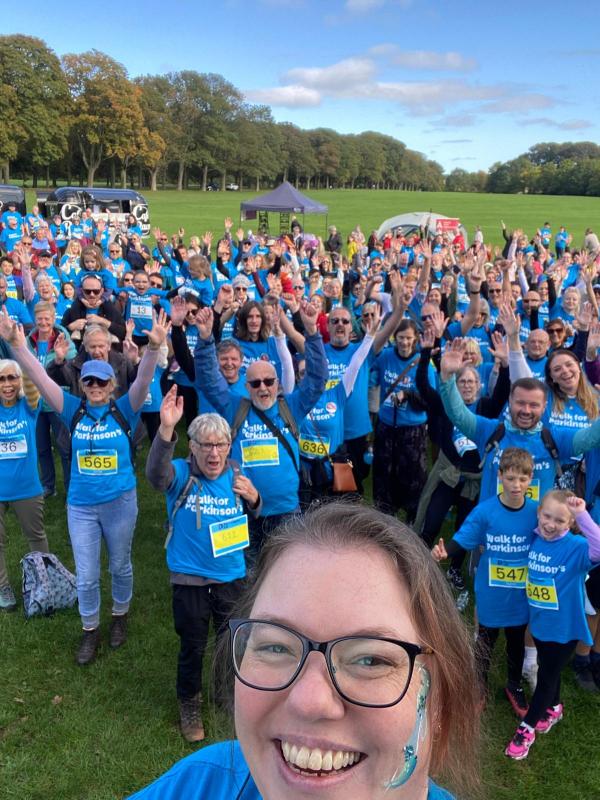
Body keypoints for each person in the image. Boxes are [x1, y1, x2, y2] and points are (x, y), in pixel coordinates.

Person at [127, 502, 480, 800]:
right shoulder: (198, 786)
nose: (308, 700)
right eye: (276, 646)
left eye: (370, 659)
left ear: (441, 701)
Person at [0, 307, 170, 665]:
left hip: (120, 503)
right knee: (88, 575)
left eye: (101, 382)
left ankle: (120, 616)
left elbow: (142, 381)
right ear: (83, 385)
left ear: (112, 386)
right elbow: (38, 377)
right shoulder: (72, 409)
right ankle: (90, 629)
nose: (94, 387)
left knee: (121, 565)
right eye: (89, 381)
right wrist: (16, 344)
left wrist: (153, 348)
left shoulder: (126, 407)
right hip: (81, 506)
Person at [145, 387, 262, 742]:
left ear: (229, 447)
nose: (214, 453)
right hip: (191, 581)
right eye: (205, 445)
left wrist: (255, 498)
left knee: (231, 641)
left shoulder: (236, 473)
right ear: (192, 447)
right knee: (193, 644)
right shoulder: (179, 474)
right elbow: (154, 475)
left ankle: (230, 692)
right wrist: (166, 430)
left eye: (220, 445)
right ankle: (189, 701)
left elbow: (254, 513)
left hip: (231, 578)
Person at [194, 303, 328, 554]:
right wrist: (204, 339)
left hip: (286, 510)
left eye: (268, 381)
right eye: (255, 383)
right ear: (247, 387)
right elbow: (209, 381)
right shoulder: (236, 407)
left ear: (278, 384)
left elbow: (318, 379)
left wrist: (312, 332)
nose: (263, 388)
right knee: (247, 574)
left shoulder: (292, 407)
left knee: (284, 574)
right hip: (243, 508)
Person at [432, 448, 538, 718]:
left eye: (523, 479)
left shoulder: (536, 514)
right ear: (499, 475)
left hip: (519, 595)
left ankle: (514, 685)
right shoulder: (485, 512)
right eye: (511, 478)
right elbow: (465, 538)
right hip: (491, 593)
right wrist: (446, 552)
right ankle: (479, 685)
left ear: (531, 479)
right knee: (485, 642)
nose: (517, 485)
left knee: (515, 641)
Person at [505, 492, 600, 760]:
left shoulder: (577, 547)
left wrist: (582, 513)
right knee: (549, 667)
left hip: (565, 629)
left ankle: (527, 729)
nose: (551, 524)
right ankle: (554, 708)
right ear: (539, 515)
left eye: (560, 520)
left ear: (570, 524)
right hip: (541, 626)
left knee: (546, 676)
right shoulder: (535, 538)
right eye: (547, 516)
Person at [0, 358, 50, 611]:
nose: (7, 384)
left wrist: (14, 342)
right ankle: (2, 587)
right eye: (2, 379)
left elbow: (32, 378)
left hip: (27, 488)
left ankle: (43, 583)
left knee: (36, 536)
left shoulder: (29, 405)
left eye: (12, 378)